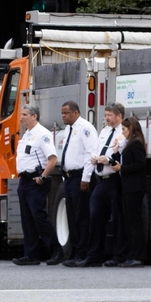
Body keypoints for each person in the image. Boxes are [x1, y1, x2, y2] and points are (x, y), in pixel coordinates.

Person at [12, 104, 63, 266]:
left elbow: (52, 158)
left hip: (36, 180)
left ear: (34, 116)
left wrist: (42, 176)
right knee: (27, 219)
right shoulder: (27, 135)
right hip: (25, 180)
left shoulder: (42, 134)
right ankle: (31, 254)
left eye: (25, 115)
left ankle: (56, 250)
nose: (21, 117)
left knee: (38, 216)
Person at [80, 102, 125, 267]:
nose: (106, 118)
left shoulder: (123, 132)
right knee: (95, 217)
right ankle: (94, 255)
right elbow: (98, 150)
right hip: (100, 179)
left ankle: (118, 255)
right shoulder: (104, 132)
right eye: (105, 115)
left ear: (119, 116)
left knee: (118, 219)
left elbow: (120, 153)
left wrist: (108, 159)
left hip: (114, 179)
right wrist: (95, 158)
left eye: (109, 115)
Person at [57, 101, 97, 266]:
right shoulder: (68, 129)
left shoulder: (85, 128)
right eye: (62, 113)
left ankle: (83, 252)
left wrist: (86, 178)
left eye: (66, 113)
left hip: (81, 177)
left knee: (82, 217)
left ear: (75, 112)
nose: (64, 116)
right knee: (71, 217)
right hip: (69, 178)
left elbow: (90, 154)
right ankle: (74, 252)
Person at [110, 116, 149, 267]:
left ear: (131, 129)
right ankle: (131, 254)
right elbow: (123, 163)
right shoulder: (128, 144)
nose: (123, 132)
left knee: (134, 222)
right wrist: (115, 153)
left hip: (134, 187)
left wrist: (123, 169)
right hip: (127, 187)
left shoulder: (136, 144)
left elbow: (140, 165)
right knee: (129, 221)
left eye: (124, 129)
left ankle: (138, 256)